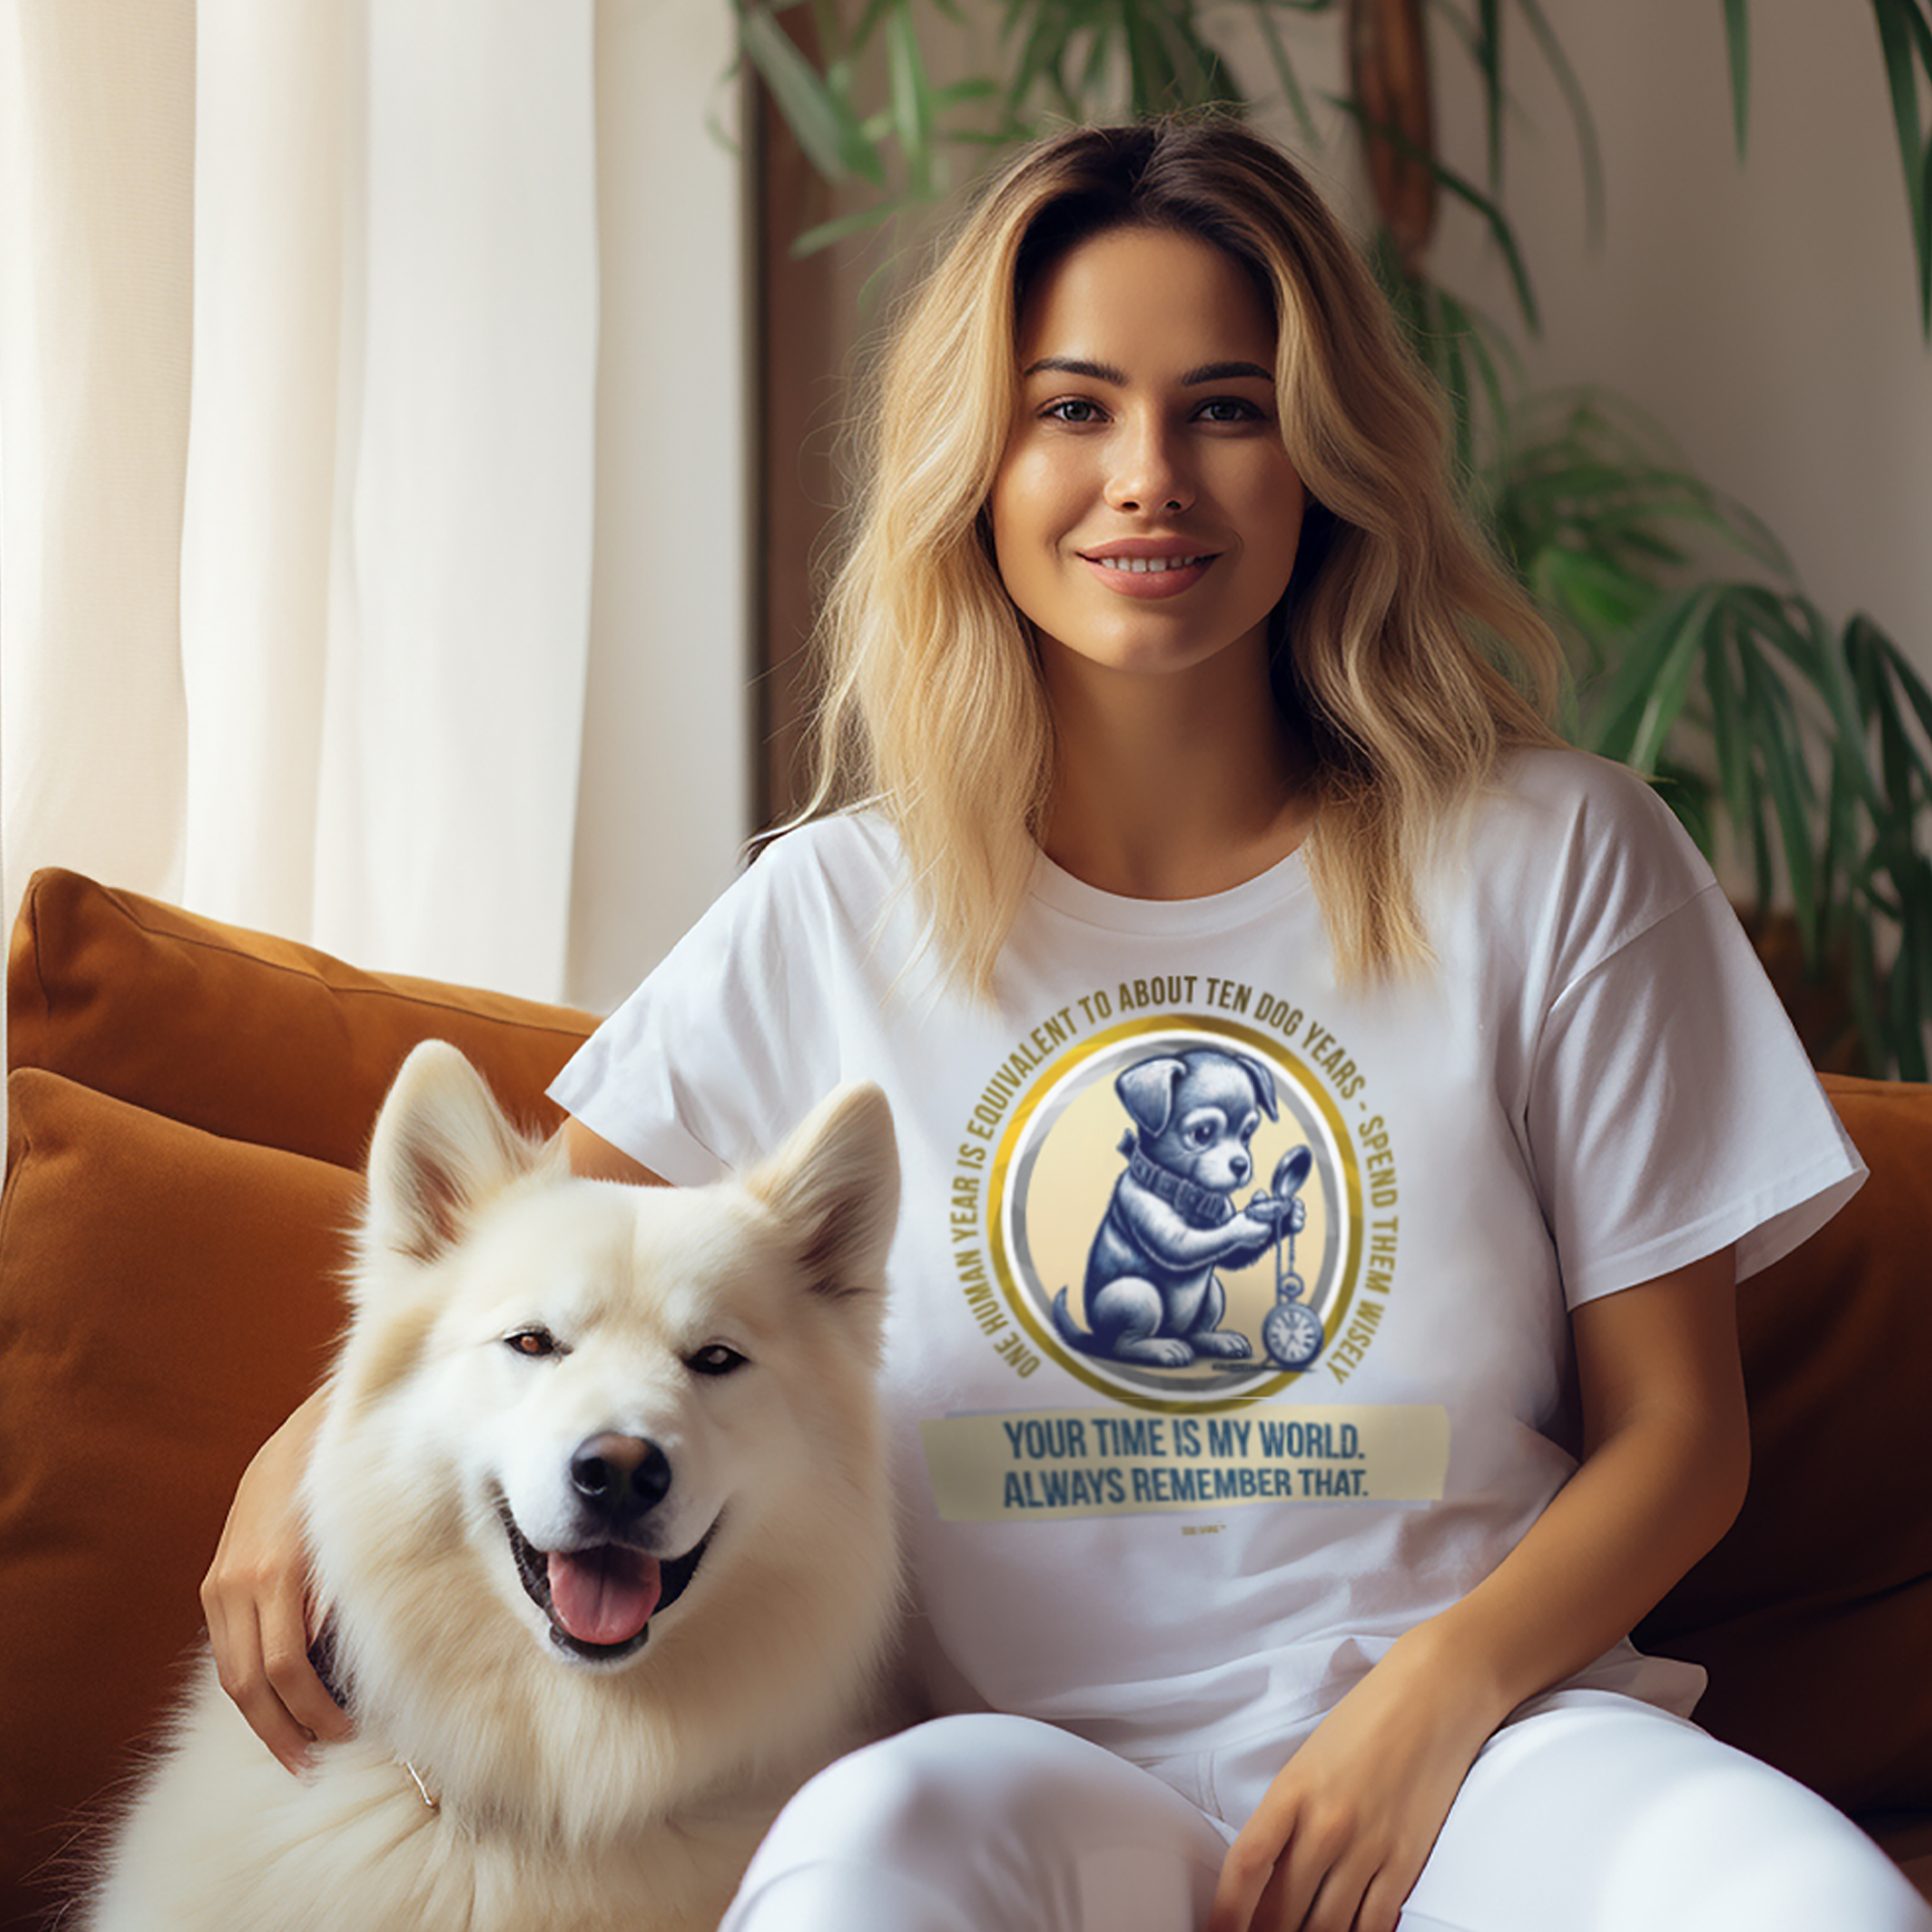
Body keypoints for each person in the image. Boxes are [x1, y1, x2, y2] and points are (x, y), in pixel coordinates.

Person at [204, 120, 1931, 1932]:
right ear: (984, 459)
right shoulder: (828, 914)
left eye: (1230, 408)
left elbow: (1681, 1433)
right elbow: (517, 1273)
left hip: (1502, 1758)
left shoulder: (1558, 858)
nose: (1151, 479)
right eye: (1075, 407)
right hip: (1019, 1776)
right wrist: (287, 1471)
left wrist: (1435, 1698)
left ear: (1326, 457)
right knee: (855, 1882)